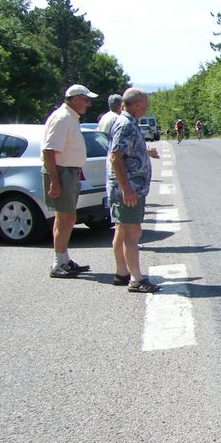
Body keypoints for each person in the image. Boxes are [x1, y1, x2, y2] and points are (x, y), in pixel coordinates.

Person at [107, 88, 161, 292]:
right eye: (145, 102)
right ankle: (136, 279)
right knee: (133, 232)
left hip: (128, 186)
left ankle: (122, 272)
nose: (147, 106)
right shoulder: (125, 124)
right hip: (128, 188)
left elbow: (124, 150)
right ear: (137, 103)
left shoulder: (128, 122)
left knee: (122, 230)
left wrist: (146, 152)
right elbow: (115, 157)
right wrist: (126, 189)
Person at [41, 84, 97, 278]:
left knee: (65, 217)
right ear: (74, 99)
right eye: (86, 99)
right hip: (61, 172)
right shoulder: (63, 118)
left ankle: (63, 260)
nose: (89, 104)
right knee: (66, 218)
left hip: (67, 172)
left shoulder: (69, 117)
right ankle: (58, 264)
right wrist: (55, 182)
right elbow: (48, 151)